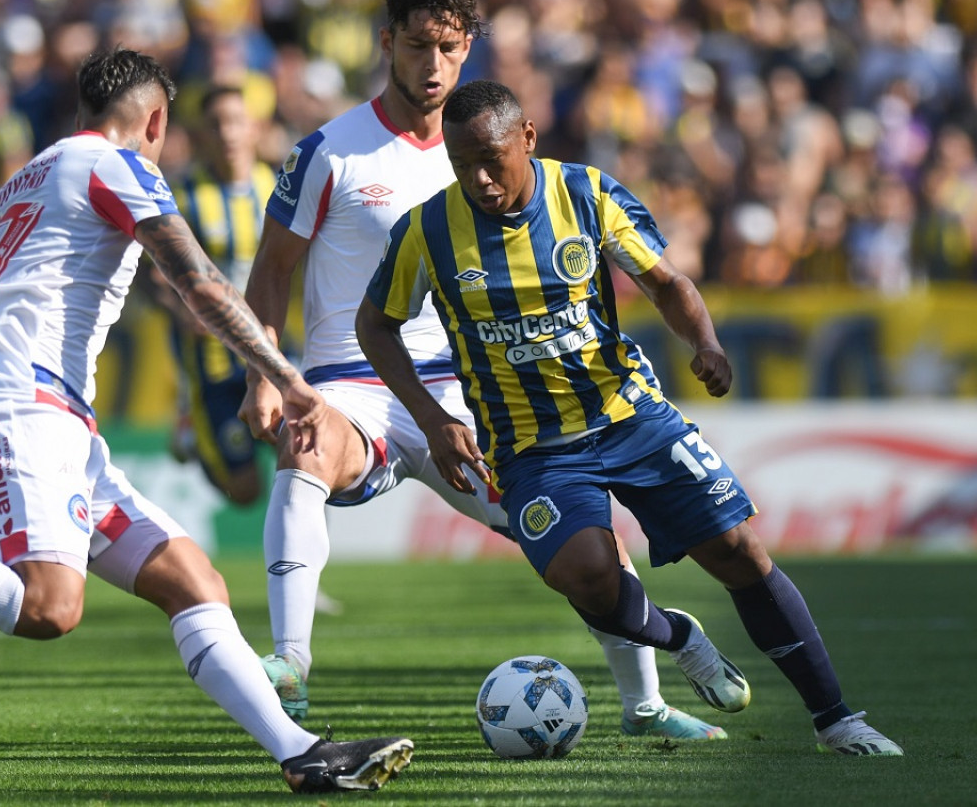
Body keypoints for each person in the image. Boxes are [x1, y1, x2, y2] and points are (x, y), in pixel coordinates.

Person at [0, 47, 413, 795]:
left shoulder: (32, 173)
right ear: (156, 121)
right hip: (13, 402)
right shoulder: (120, 166)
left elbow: (122, 288)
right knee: (48, 604)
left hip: (50, 414)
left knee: (190, 578)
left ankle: (302, 752)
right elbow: (198, 280)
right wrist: (284, 375)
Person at [239, 0, 726, 741]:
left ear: (469, 48)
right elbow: (270, 272)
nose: (432, 65)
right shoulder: (328, 152)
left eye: (450, 47)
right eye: (417, 46)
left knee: (585, 545)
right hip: (354, 386)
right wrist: (268, 375)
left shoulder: (489, 150)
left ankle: (645, 704)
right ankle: (291, 665)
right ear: (386, 39)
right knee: (304, 445)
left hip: (478, 396)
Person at [356, 79, 904, 757]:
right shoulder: (428, 230)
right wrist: (434, 418)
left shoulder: (585, 194)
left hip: (630, 416)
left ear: (527, 137)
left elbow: (667, 283)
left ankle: (837, 720)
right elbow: (375, 326)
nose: (479, 179)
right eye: (460, 162)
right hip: (533, 446)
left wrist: (703, 342)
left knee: (739, 552)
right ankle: (680, 638)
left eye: (491, 159)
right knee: (583, 573)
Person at [147, 84, 278, 505]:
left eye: (236, 121)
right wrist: (181, 308)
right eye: (216, 124)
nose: (228, 133)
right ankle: (193, 430)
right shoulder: (182, 198)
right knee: (244, 491)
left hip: (274, 346)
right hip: (213, 361)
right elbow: (150, 276)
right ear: (200, 134)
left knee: (305, 449)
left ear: (254, 128)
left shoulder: (277, 188)